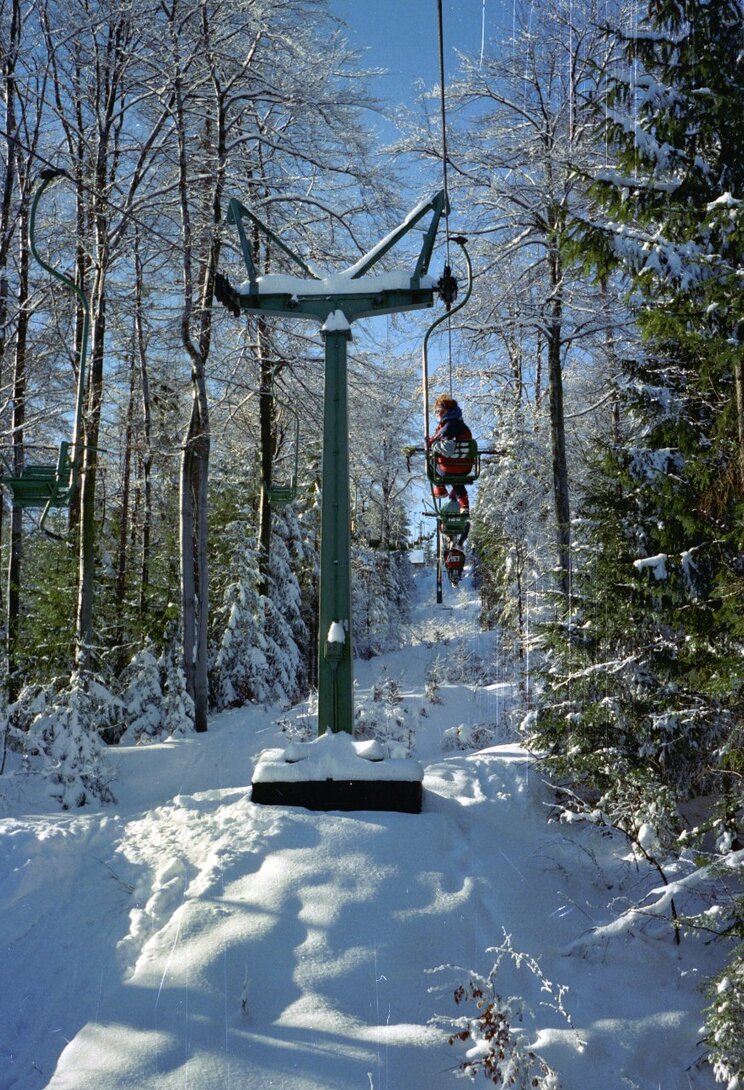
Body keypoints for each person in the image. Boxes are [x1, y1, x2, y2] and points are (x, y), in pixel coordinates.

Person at [427, 394, 473, 514]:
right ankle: (464, 504)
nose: (438, 413)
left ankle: (440, 488)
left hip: (449, 467)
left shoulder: (449, 426)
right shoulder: (460, 425)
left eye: (439, 410)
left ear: (447, 410)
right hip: (465, 467)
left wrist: (433, 445)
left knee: (430, 462)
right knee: (456, 477)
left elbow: (448, 449)